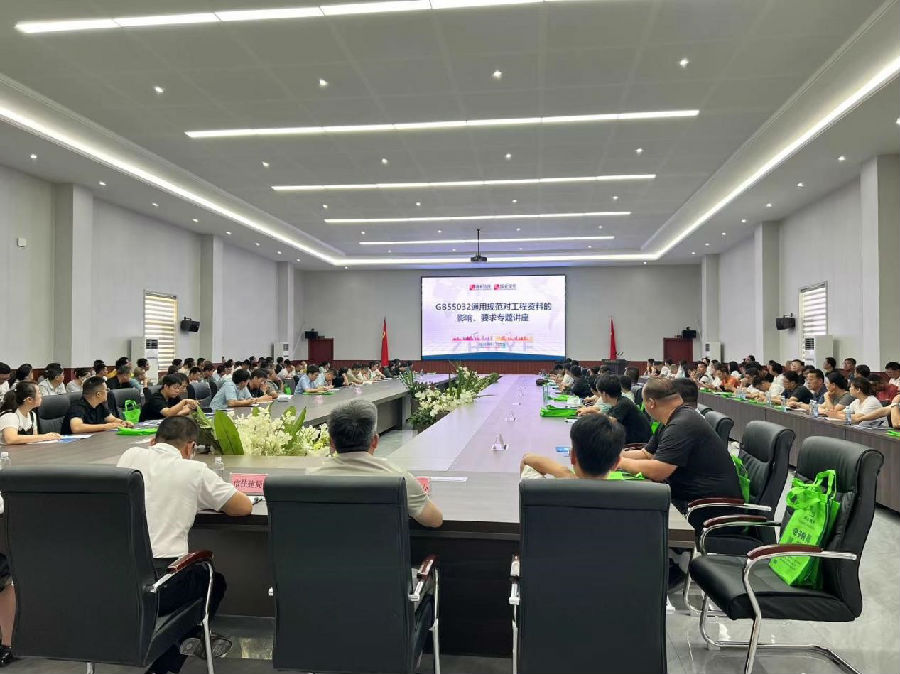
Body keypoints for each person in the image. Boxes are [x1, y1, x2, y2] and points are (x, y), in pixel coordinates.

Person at [117, 416, 251, 673]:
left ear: (153, 441)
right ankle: (173, 657)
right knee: (212, 579)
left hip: (118, 579)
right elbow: (242, 506)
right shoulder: (195, 471)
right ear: (190, 447)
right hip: (162, 585)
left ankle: (190, 639)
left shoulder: (129, 456)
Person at [310, 400, 443, 528]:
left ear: (332, 443)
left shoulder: (311, 480)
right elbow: (435, 520)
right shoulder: (399, 479)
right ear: (375, 441)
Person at [617, 378, 741, 512]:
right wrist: (613, 455)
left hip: (708, 506)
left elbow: (659, 471)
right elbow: (646, 454)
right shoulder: (671, 419)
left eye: (643, 401)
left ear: (651, 403)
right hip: (686, 497)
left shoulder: (682, 423)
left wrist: (619, 462)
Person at [520, 413, 625, 479]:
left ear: (572, 456)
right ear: (616, 464)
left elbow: (526, 460)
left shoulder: (541, 492)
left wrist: (564, 472)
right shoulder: (629, 498)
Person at [578, 374, 651, 444]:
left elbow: (609, 421)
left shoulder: (623, 404)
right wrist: (591, 412)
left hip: (639, 443)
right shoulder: (619, 401)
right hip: (632, 439)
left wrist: (591, 415)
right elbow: (607, 416)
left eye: (599, 392)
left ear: (604, 393)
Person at [61, 376, 132, 434]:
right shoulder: (77, 407)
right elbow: (76, 428)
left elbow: (111, 419)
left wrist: (123, 423)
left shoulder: (100, 405)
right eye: (106, 390)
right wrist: (105, 426)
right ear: (98, 394)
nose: (108, 392)